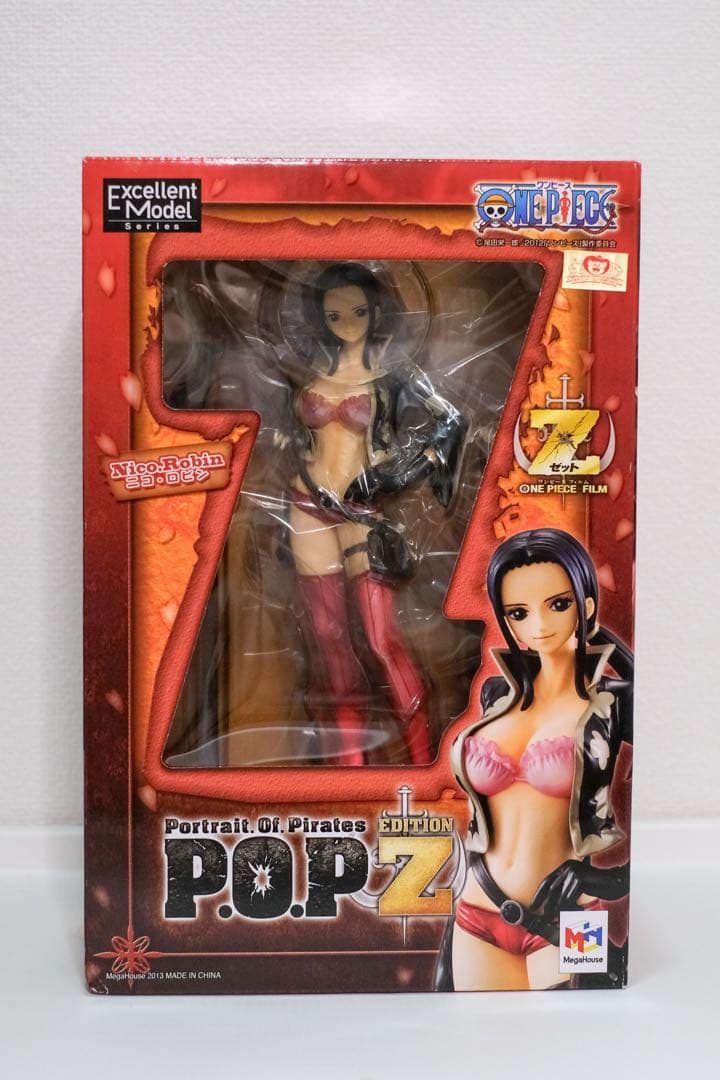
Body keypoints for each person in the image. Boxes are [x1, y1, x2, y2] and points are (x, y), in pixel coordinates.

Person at [434, 528, 633, 990]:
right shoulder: (497, 695)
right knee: (475, 1031)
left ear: (585, 605)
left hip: (570, 916)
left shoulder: (613, 703)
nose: (538, 625)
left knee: (576, 1028)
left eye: (558, 604)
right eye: (519, 613)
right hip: (479, 907)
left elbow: (650, 815)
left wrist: (599, 881)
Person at [288, 262, 466, 766]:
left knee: (380, 639)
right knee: (327, 640)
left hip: (363, 511)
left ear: (376, 312)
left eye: (359, 311)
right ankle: (348, 768)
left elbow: (451, 421)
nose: (348, 322)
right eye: (335, 315)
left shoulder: (395, 375)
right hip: (306, 503)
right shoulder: (308, 373)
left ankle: (422, 757)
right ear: (321, 319)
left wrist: (399, 474)